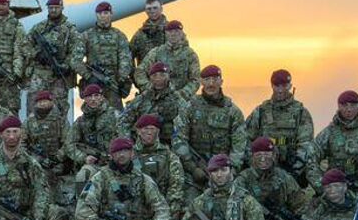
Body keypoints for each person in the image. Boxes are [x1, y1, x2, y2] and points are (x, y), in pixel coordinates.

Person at [176, 65, 248, 195]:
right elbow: (179, 138)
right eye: (207, 79)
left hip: (224, 172)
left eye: (215, 79)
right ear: (201, 82)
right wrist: (192, 168)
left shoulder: (232, 111)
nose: (211, 83)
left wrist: (230, 172)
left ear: (221, 81)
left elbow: (239, 146)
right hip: (194, 172)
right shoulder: (189, 108)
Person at [308, 90, 358, 197]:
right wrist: (323, 188)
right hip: (334, 192)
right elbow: (311, 159)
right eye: (344, 105)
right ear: (338, 106)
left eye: (353, 105)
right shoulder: (329, 132)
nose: (349, 109)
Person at [246, 69, 314, 182]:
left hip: (291, 167)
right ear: (272, 86)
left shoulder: (301, 112)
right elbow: (247, 138)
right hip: (263, 166)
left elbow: (306, 143)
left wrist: (296, 169)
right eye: (277, 86)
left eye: (284, 86)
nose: (281, 90)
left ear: (290, 86)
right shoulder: (261, 111)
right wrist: (253, 164)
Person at [24, 0, 80, 120]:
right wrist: (36, 54)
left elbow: (77, 51)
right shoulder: (39, 28)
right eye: (51, 8)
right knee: (34, 107)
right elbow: (25, 45)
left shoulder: (70, 29)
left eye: (56, 7)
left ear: (62, 8)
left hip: (59, 75)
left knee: (60, 110)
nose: (53, 10)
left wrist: (65, 65)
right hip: (39, 74)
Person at [78, 1, 134, 110]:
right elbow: (75, 59)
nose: (103, 16)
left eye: (106, 13)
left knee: (116, 116)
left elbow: (126, 59)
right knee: (92, 114)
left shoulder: (119, 36)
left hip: (112, 82)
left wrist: (120, 78)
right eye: (100, 13)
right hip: (93, 84)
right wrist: (89, 76)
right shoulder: (87, 35)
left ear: (111, 14)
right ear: (96, 15)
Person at [123, 62, 185, 145]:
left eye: (162, 75)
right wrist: (128, 142)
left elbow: (186, 124)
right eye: (154, 75)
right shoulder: (142, 99)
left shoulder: (177, 100)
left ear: (168, 77)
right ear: (150, 78)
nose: (158, 78)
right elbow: (123, 121)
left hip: (168, 145)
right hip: (141, 146)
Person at [133, 20, 200, 96]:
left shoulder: (190, 54)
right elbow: (140, 71)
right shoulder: (156, 52)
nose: (173, 34)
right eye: (170, 31)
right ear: (166, 34)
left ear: (182, 34)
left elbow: (195, 80)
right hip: (158, 99)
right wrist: (150, 88)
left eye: (176, 31)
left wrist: (182, 94)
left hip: (182, 101)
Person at [128, 0, 170, 67]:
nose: (152, 11)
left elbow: (184, 54)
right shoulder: (139, 35)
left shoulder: (172, 31)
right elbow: (128, 56)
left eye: (155, 8)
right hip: (145, 77)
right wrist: (135, 74)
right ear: (145, 11)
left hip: (169, 76)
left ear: (161, 9)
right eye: (149, 9)